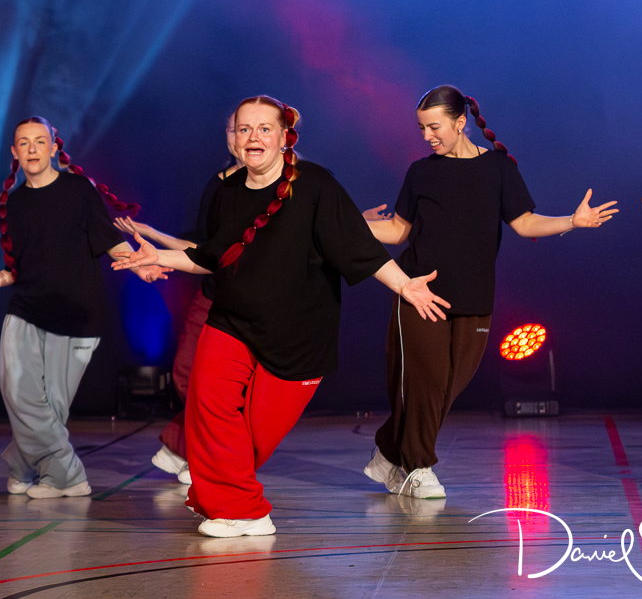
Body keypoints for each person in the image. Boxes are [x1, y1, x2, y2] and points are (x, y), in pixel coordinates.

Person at [113, 95, 449, 538]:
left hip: (298, 338)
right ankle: (243, 511)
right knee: (207, 404)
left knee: (253, 436)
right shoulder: (227, 192)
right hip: (232, 320)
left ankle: (235, 504)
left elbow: (359, 248)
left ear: (285, 136)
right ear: (234, 139)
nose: (253, 137)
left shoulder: (316, 186)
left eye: (264, 129)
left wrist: (405, 285)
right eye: (244, 129)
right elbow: (210, 257)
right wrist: (159, 256)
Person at [361, 85, 617, 500]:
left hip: (475, 298)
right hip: (420, 293)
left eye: (434, 127)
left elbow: (525, 223)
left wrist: (572, 221)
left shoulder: (498, 167)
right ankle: (419, 467)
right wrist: (346, 224)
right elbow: (396, 230)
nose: (427, 136)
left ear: (461, 122)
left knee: (448, 386)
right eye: (422, 128)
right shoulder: (421, 172)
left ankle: (389, 453)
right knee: (427, 384)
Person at [0, 117, 161, 499]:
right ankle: (68, 477)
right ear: (14, 152)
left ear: (54, 147)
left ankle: (25, 467)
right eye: (24, 143)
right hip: (26, 309)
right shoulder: (14, 203)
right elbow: (16, 270)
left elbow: (110, 240)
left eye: (39, 141)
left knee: (50, 409)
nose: (32, 149)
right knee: (19, 395)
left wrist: (140, 266)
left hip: (76, 315)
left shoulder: (78, 190)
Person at [114, 112, 241, 485]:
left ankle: (196, 454)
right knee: (187, 373)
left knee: (226, 387)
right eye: (235, 129)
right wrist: (153, 236)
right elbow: (200, 247)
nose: (243, 136)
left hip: (253, 301)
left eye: (255, 128)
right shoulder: (219, 183)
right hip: (214, 292)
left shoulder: (286, 185)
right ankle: (187, 448)